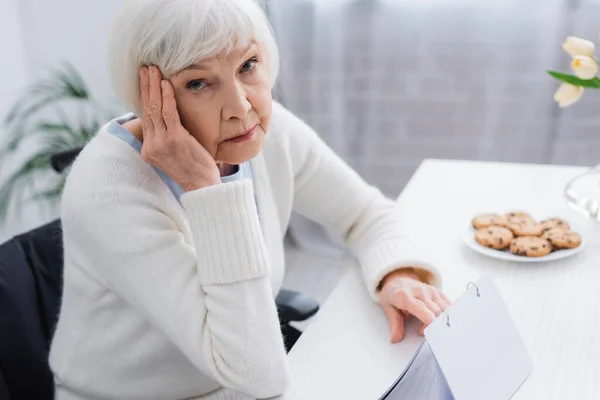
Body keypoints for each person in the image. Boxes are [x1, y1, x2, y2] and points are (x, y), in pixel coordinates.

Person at [49, 0, 451, 399]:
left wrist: (395, 276)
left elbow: (365, 213)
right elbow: (259, 375)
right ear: (152, 98)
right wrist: (206, 188)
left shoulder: (266, 133)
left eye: (248, 65)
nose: (242, 107)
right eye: (198, 83)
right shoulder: (109, 191)